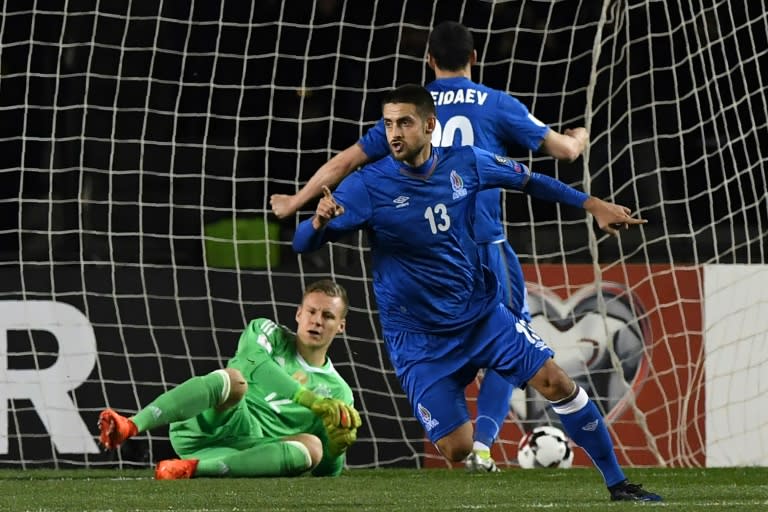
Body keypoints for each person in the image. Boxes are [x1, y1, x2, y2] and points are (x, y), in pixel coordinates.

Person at [292, 84, 661, 502]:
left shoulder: (465, 163)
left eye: (405, 123)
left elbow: (532, 180)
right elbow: (302, 244)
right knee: (457, 448)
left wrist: (592, 204)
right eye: (389, 124)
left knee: (557, 382)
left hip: (482, 317)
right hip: (420, 341)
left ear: (430, 125)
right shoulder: (367, 187)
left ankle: (618, 484)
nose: (394, 133)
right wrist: (318, 223)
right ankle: (472, 411)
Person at [271, 21, 589, 472]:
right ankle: (480, 442)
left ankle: (471, 441)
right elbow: (562, 153)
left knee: (469, 339)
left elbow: (344, 161)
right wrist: (578, 138)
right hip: (486, 244)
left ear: (429, 61)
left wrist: (297, 203)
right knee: (514, 336)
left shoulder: (410, 111)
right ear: (474, 58)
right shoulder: (497, 104)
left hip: (427, 247)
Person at [98, 279, 362, 479]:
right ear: (298, 314)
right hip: (208, 426)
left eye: (327, 316)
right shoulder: (267, 332)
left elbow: (326, 473)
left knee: (313, 447)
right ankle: (130, 426)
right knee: (235, 381)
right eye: (311, 312)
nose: (316, 321)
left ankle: (193, 469)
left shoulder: (339, 392)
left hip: (248, 452)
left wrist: (336, 450)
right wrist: (309, 399)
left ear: (341, 326)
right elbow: (255, 364)